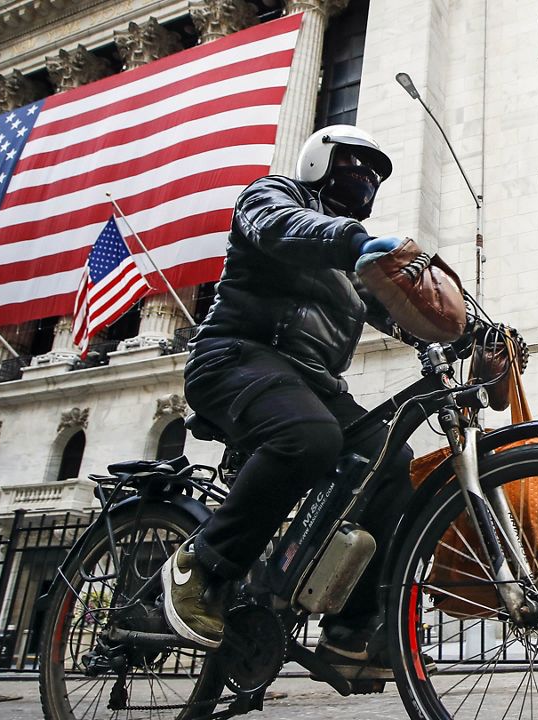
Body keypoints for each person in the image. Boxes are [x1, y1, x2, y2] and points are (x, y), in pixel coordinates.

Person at [161, 125, 419, 677]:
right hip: (238, 355)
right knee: (310, 438)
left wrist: (472, 334)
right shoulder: (270, 198)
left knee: (392, 458)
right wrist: (351, 239)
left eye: (375, 173)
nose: (366, 177)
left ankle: (350, 629)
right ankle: (202, 565)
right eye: (355, 163)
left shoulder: (354, 264)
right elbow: (286, 229)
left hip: (312, 381)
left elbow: (404, 313)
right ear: (318, 161)